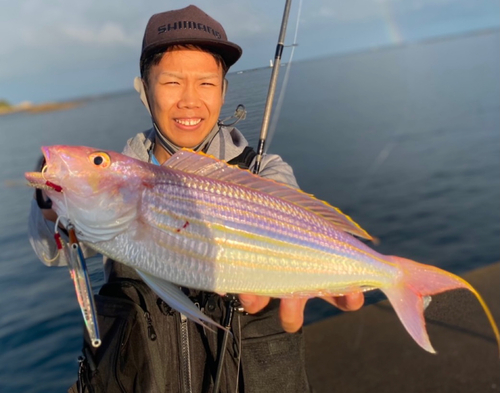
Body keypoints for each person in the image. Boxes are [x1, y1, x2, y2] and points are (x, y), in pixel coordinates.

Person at [29, 5, 364, 393]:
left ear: (223, 91)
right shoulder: (114, 182)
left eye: (206, 83)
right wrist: (49, 202)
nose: (190, 100)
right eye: (171, 82)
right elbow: (53, 251)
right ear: (143, 89)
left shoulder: (264, 170)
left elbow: (296, 222)